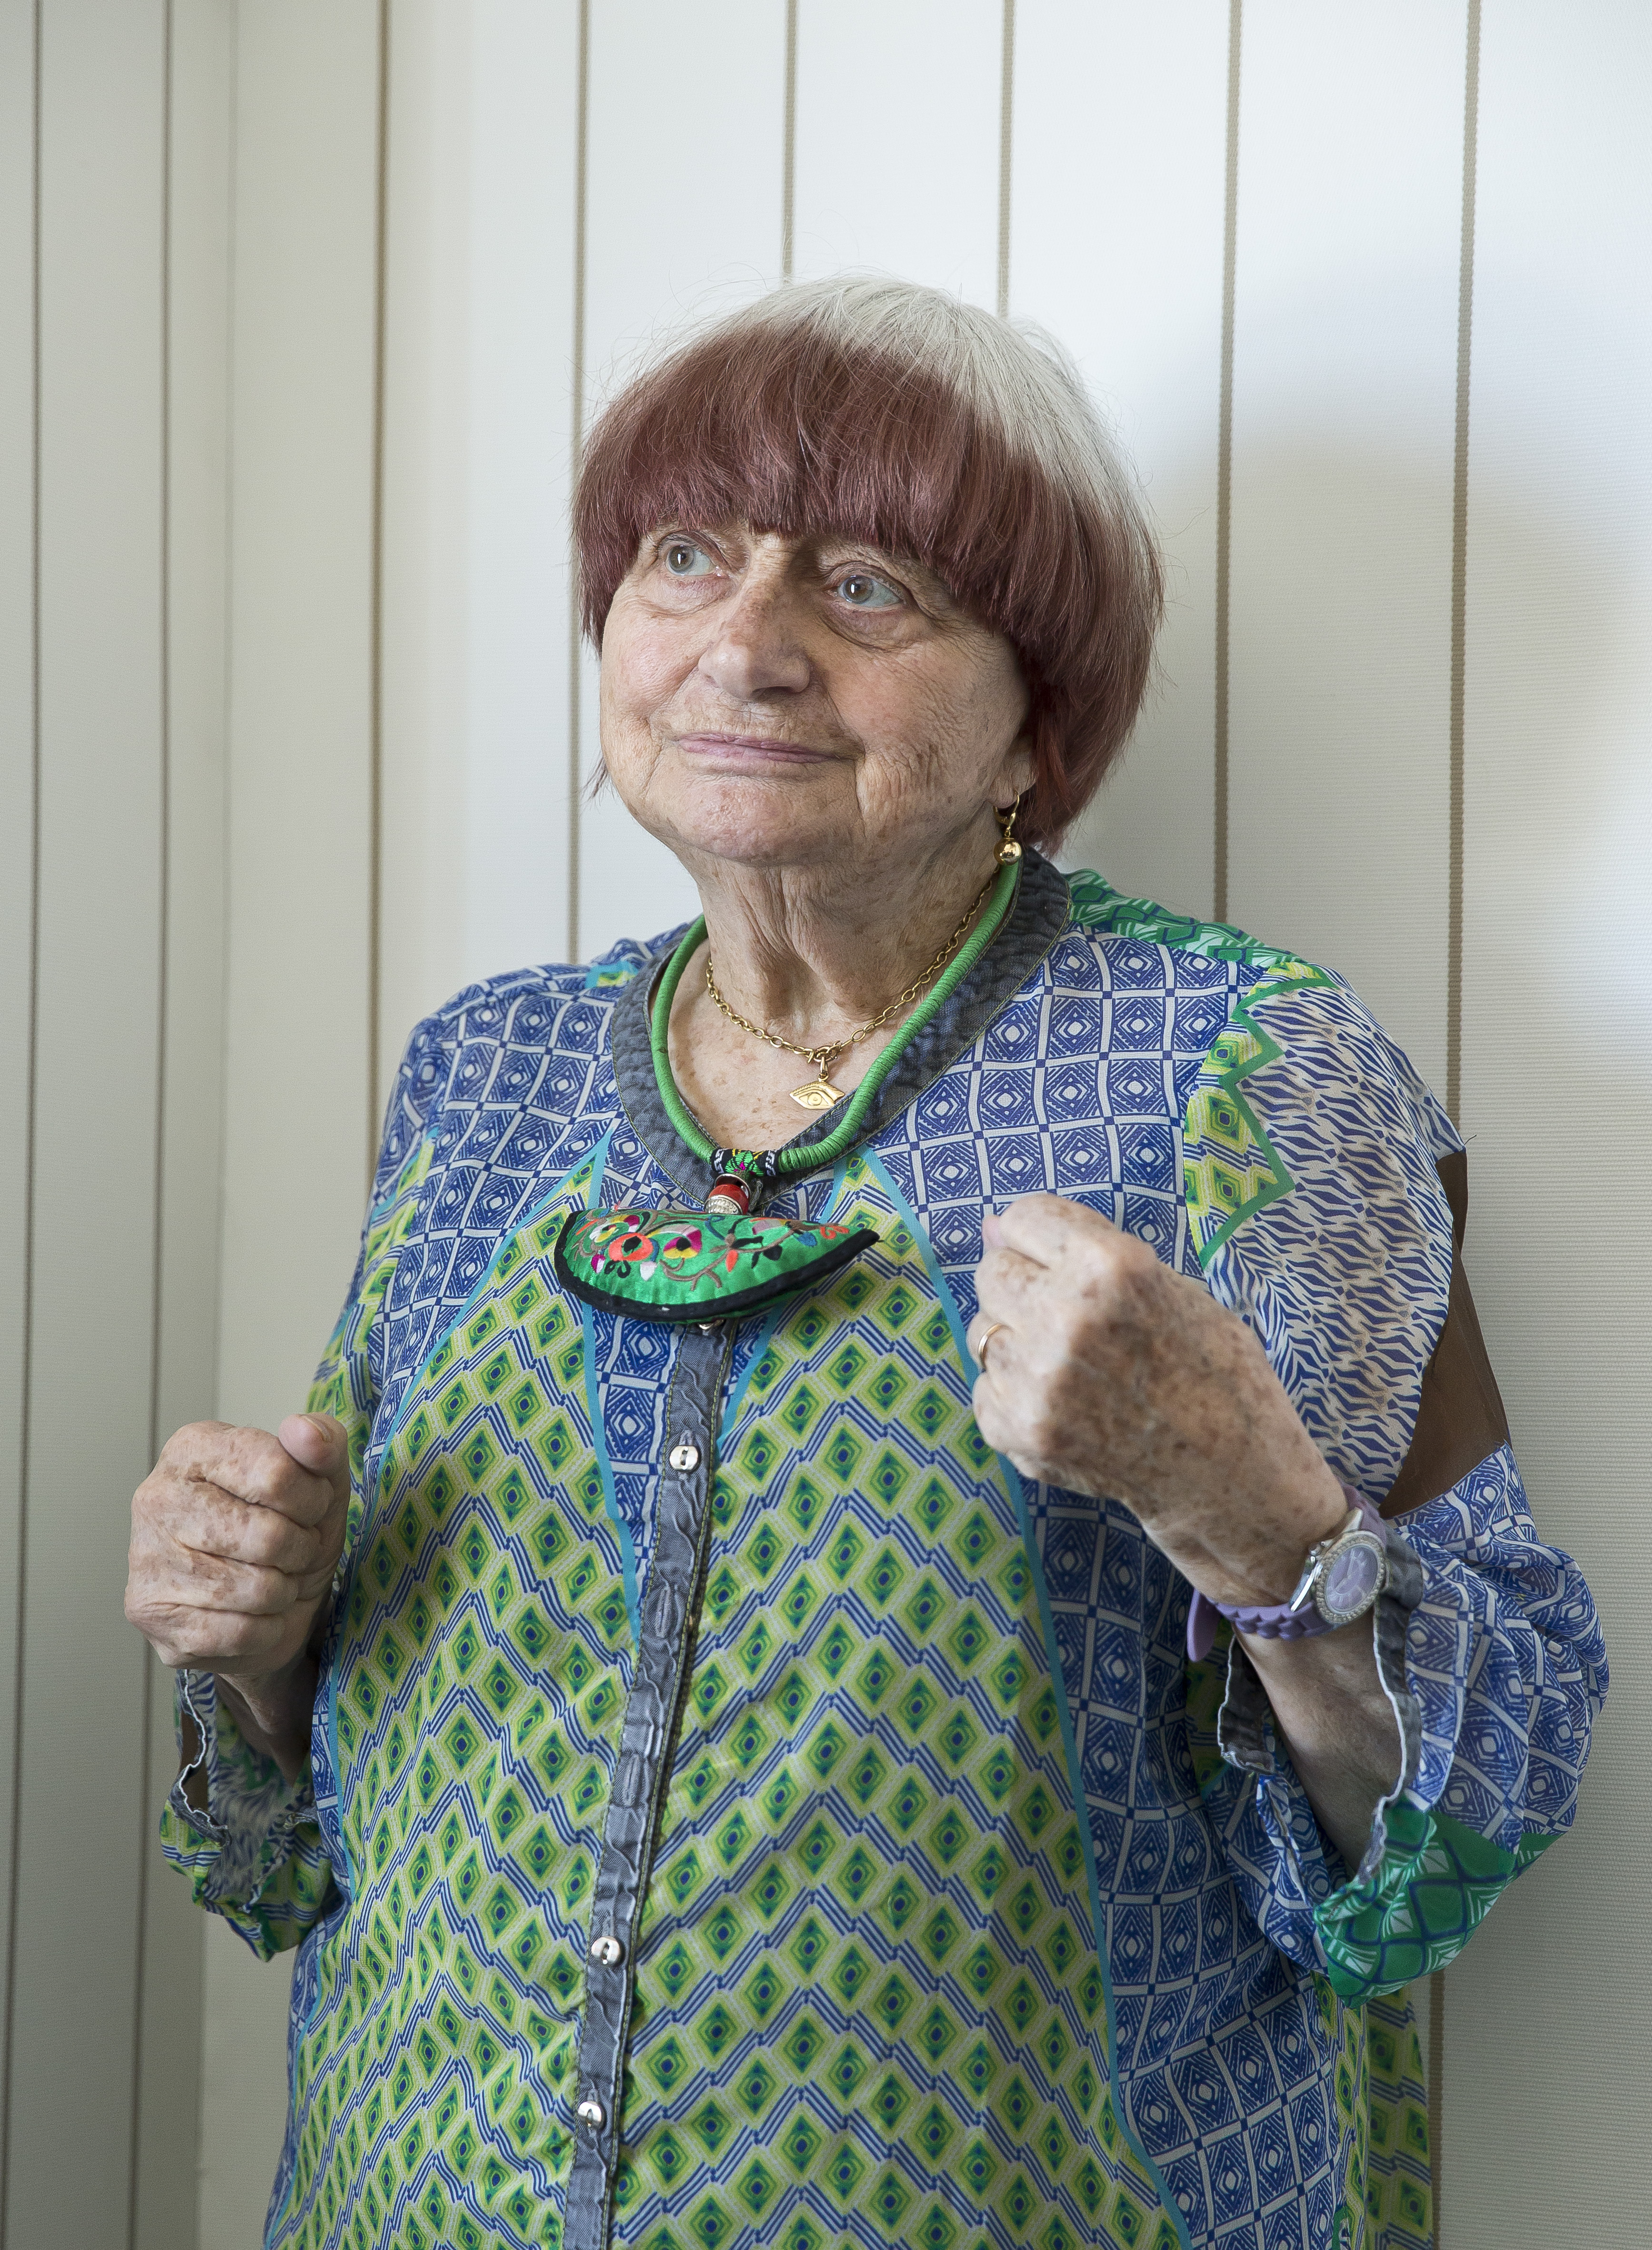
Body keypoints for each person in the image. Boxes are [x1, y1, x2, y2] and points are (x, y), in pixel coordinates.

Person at [126, 278, 1603, 2250]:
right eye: (680, 557)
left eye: (871, 586)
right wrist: (250, 1636)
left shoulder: (1247, 1072)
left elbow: (1469, 1813)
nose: (743, 646)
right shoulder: (484, 1072)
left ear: (1037, 723)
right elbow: (291, 1828)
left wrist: (1247, 1506)